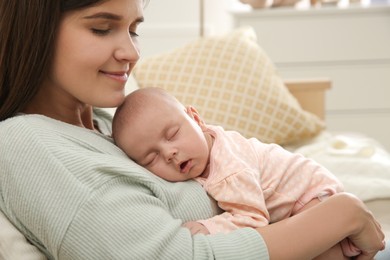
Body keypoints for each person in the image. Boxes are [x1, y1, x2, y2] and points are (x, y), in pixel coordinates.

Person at [0, 0, 386, 259]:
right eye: (102, 28)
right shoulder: (29, 145)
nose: (132, 53)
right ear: (35, 31)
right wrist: (342, 214)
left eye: (134, 30)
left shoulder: (107, 126)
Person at [112, 87, 362, 258]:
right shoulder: (206, 143)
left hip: (312, 197)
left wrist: (207, 227)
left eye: (172, 135)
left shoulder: (228, 169)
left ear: (196, 119)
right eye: (151, 157)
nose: (170, 153)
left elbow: (252, 219)